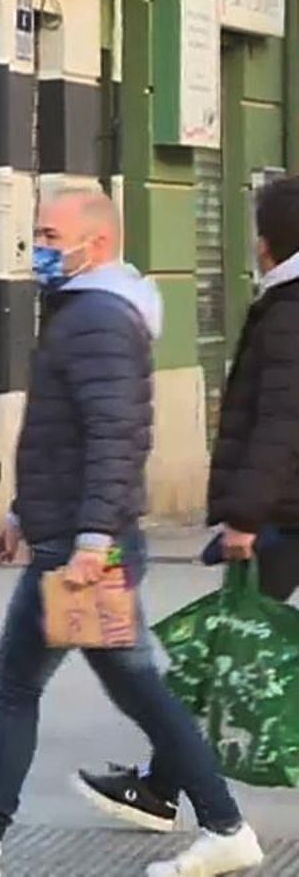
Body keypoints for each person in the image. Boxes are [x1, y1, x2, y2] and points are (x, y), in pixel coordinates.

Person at [0, 191, 264, 877]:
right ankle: (217, 824)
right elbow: (64, 435)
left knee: (35, 689)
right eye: (37, 233)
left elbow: (113, 437)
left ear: (97, 242)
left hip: (85, 550)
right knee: (121, 687)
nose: (40, 248)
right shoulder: (86, 313)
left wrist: (91, 539)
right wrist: (27, 514)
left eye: (51, 234)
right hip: (74, 541)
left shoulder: (95, 319)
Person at [72, 175, 299, 842]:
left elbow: (280, 422)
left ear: (269, 239)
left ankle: (164, 787)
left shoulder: (289, 312)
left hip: (283, 511)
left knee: (223, 648)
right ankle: (163, 782)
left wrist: (247, 516)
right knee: (224, 647)